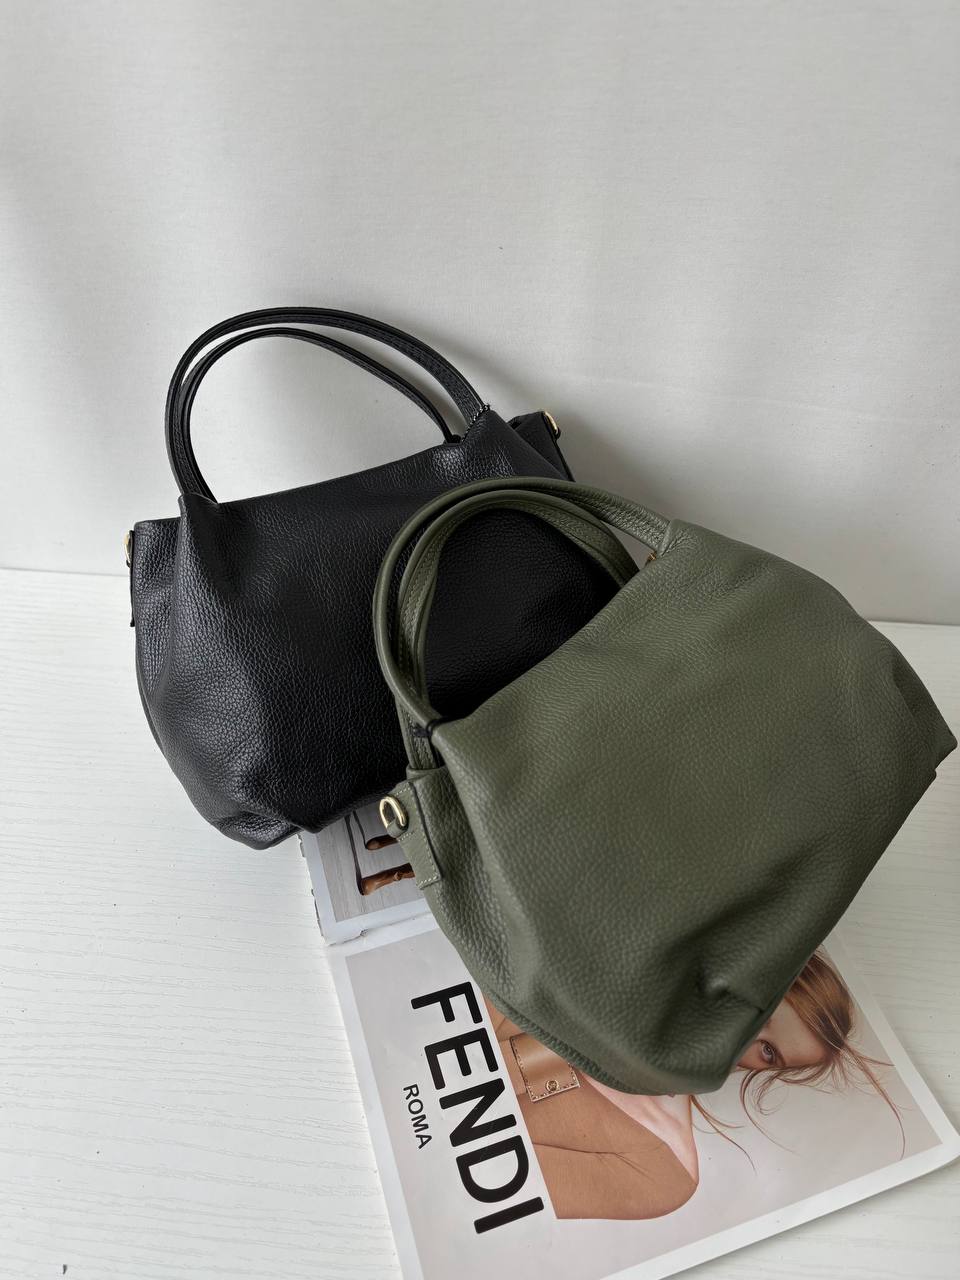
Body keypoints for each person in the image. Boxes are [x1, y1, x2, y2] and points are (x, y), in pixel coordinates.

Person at [485, 949, 900, 1221]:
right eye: (760, 1013)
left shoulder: (665, 1175)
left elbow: (481, 1189)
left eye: (768, 1052)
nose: (742, 1041)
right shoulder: (591, 965)